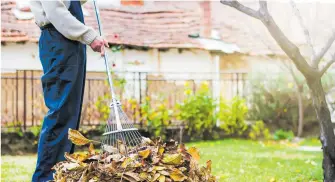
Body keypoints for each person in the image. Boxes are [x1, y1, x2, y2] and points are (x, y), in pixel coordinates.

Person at [29, 1, 108, 181]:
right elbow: (56, 11)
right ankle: (45, 177)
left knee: (70, 114)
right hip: (59, 39)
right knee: (61, 113)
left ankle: (60, 174)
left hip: (69, 43)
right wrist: (90, 35)